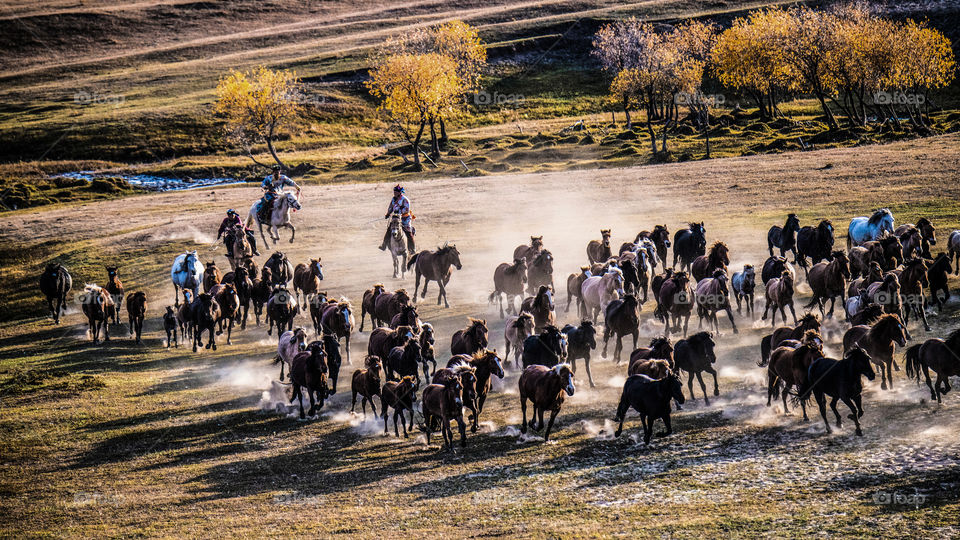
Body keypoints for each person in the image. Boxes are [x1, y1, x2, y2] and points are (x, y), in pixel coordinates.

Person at [378, 184, 415, 255]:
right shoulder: (393, 199)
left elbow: (407, 209)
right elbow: (391, 207)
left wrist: (399, 211)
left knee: (408, 232)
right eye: (394, 192)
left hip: (405, 218)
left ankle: (412, 249)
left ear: (399, 192)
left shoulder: (405, 200)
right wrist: (388, 213)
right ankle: (384, 245)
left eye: (395, 192)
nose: (394, 193)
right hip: (396, 218)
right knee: (389, 229)